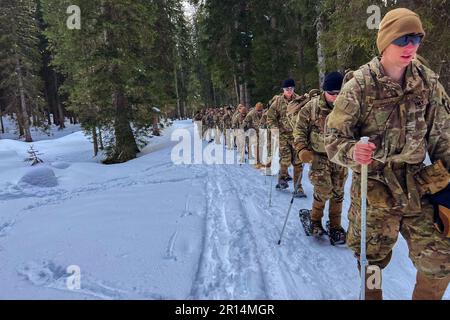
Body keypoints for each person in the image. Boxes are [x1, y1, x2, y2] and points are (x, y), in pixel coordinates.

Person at [324, 8, 450, 300]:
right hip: (375, 185)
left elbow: (443, 136)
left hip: (418, 185)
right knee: (371, 258)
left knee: (440, 260)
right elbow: (332, 139)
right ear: (385, 42)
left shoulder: (427, 82)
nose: (411, 47)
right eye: (403, 39)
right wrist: (352, 150)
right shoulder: (359, 86)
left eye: (417, 39)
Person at [294, 72, 347, 243]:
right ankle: (314, 219)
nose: (336, 97)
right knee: (324, 190)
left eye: (339, 93)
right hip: (318, 155)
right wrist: (302, 148)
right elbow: (299, 129)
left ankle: (335, 226)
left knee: (338, 192)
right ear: (324, 91)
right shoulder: (312, 107)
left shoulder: (348, 106)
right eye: (332, 93)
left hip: (339, 155)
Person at [267, 79, 305, 196]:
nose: (289, 91)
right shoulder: (277, 102)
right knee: (286, 159)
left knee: (298, 161)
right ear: (283, 90)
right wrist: (274, 128)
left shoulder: (299, 100)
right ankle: (282, 178)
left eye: (291, 88)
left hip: (296, 135)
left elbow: (305, 115)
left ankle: (298, 187)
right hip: (282, 135)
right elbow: (270, 118)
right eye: (286, 89)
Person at [244, 102, 264, 168]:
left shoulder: (263, 113)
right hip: (251, 130)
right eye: (258, 111)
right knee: (256, 145)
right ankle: (256, 162)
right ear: (255, 109)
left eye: (260, 110)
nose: (259, 112)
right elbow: (244, 122)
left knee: (260, 145)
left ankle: (259, 161)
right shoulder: (251, 114)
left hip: (259, 131)